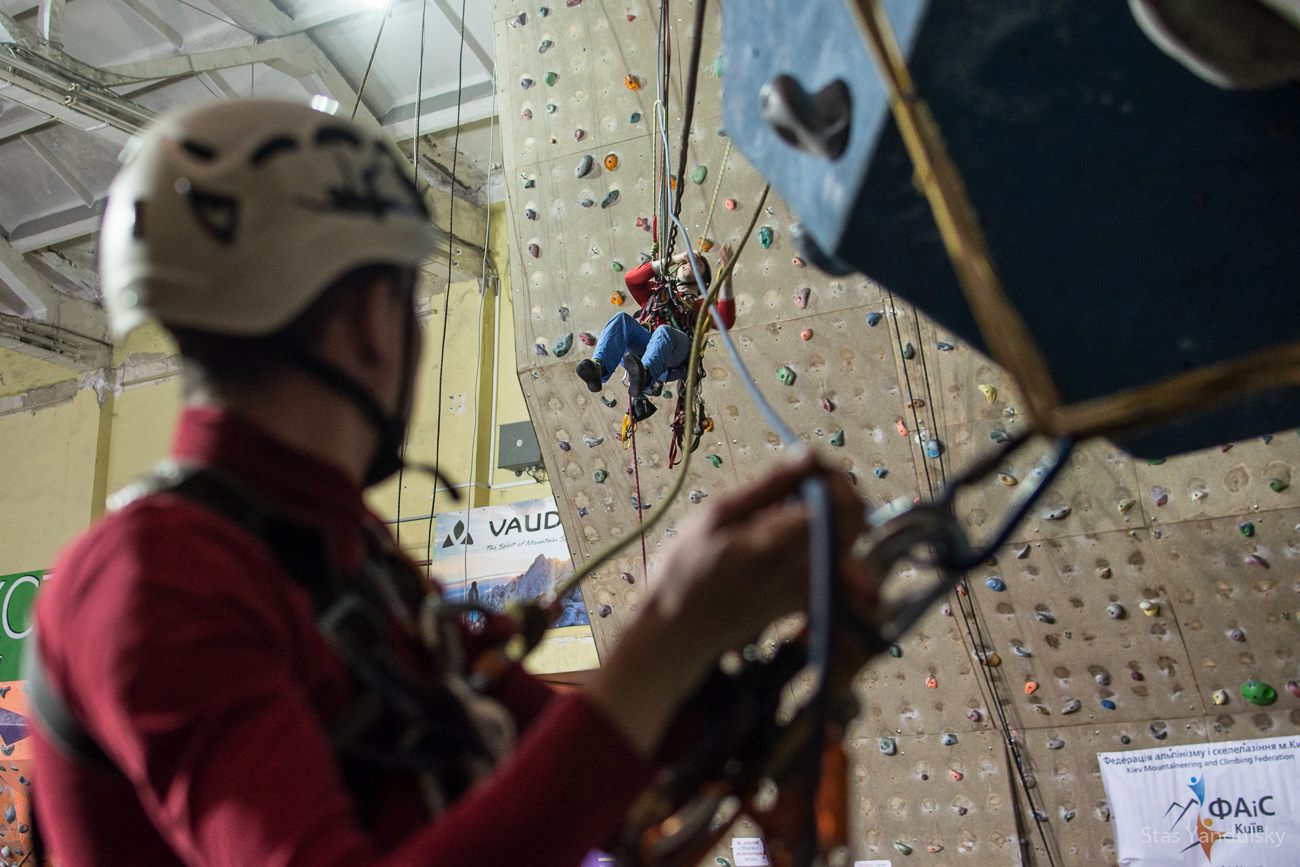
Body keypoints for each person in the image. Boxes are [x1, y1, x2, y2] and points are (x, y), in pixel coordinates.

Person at [27, 99, 877, 866]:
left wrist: (739, 686)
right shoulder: (156, 580)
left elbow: (569, 759)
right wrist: (669, 636)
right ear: (371, 320)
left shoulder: (343, 563)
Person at [576, 244, 735, 398]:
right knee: (621, 319)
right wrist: (674, 259)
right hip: (644, 347)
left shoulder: (702, 306)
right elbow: (631, 279)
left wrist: (726, 278)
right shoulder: (656, 292)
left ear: (703, 281)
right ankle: (599, 369)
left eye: (698, 264)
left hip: (675, 357)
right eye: (686, 262)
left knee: (664, 331)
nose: (690, 264)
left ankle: (645, 377)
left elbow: (725, 321)